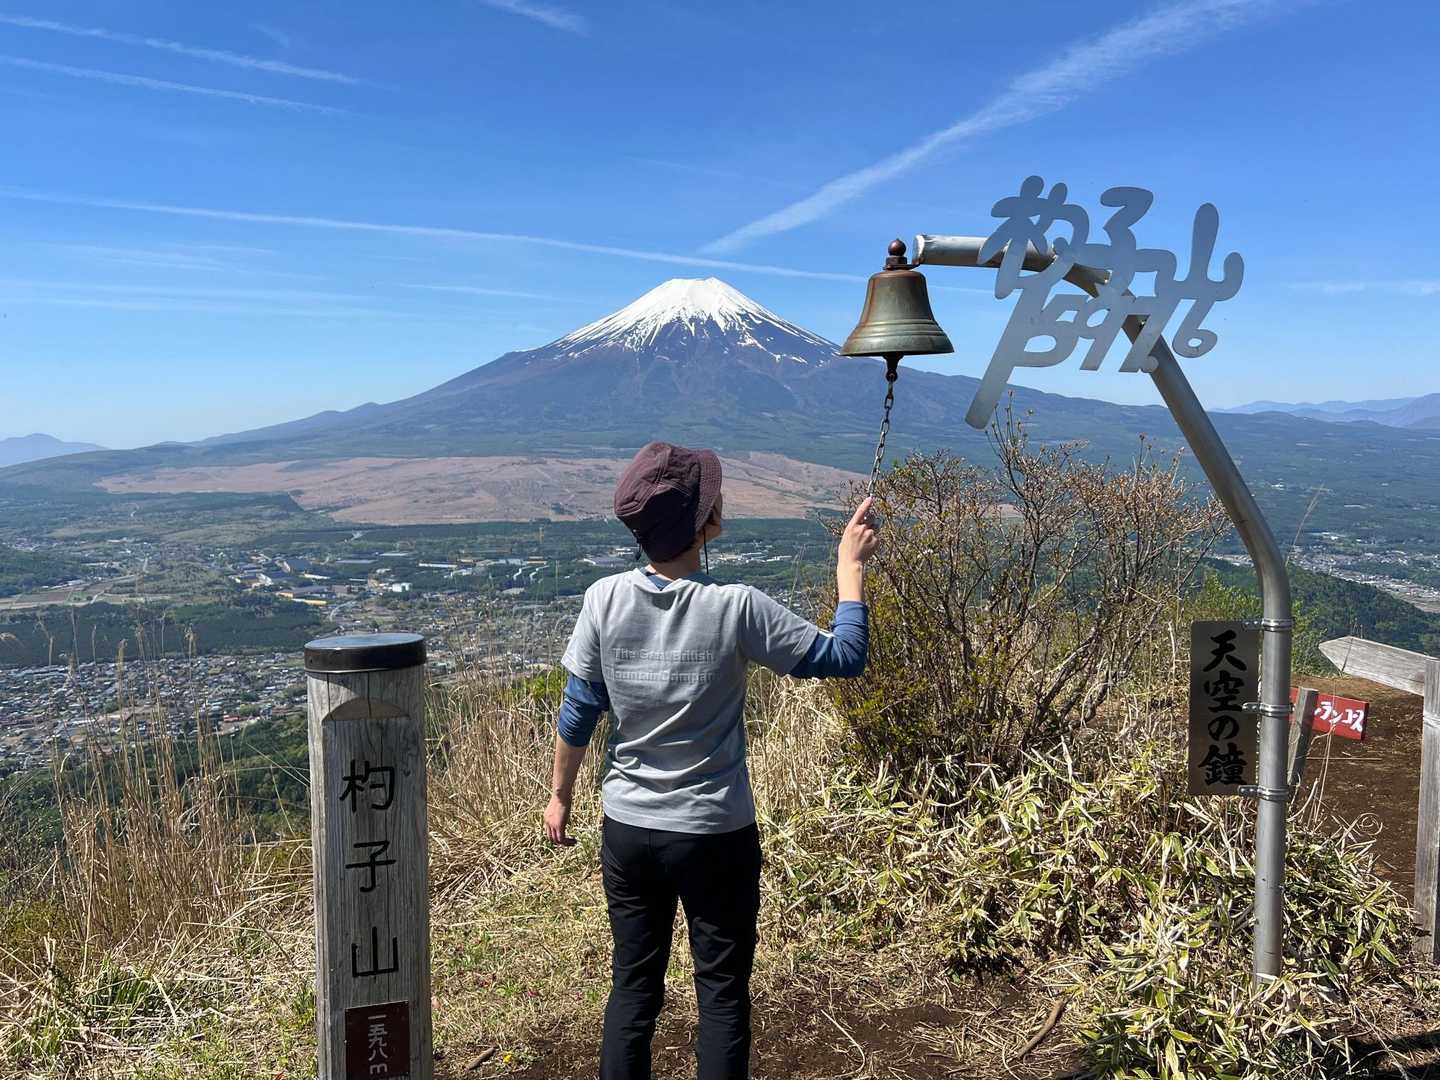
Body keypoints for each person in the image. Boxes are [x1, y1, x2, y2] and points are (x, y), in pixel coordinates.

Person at [543, 440, 879, 1080]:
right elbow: (844, 657)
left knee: (633, 986)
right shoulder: (736, 606)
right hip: (715, 831)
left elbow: (580, 709)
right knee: (721, 993)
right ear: (706, 523)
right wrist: (849, 567)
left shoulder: (603, 598)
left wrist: (561, 795)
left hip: (628, 829)